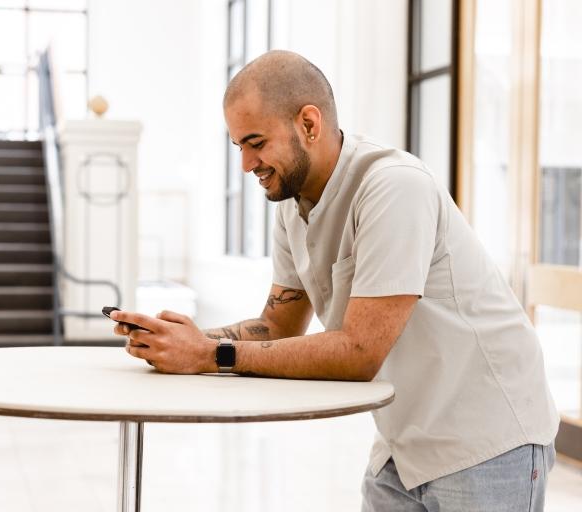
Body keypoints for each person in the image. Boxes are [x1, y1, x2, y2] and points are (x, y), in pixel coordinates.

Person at [110, 50, 559, 511]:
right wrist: (184, 340)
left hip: (488, 439)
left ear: (309, 123)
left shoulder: (394, 186)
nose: (246, 164)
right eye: (238, 147)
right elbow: (279, 326)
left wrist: (211, 355)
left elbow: (360, 351)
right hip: (403, 445)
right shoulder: (290, 204)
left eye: (256, 142)